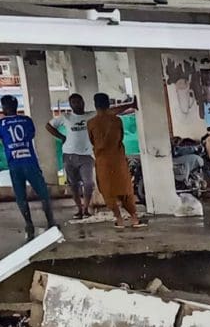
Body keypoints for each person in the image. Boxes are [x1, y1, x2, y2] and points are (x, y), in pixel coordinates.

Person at [0, 94, 56, 239]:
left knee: (20, 196)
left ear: (4, 107)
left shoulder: (0, 124)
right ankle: (51, 221)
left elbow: (3, 140)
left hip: (14, 163)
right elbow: (31, 135)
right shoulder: (26, 120)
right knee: (43, 194)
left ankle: (29, 224)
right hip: (30, 161)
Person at [87, 92, 145, 229]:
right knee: (125, 189)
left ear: (95, 105)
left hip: (103, 161)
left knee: (108, 191)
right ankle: (134, 218)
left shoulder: (91, 123)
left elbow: (92, 140)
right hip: (118, 159)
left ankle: (119, 219)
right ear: (108, 104)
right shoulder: (116, 120)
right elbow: (121, 137)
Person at [45, 93, 96, 221]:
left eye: (79, 101)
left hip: (86, 155)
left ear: (83, 102)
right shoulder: (66, 117)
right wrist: (62, 137)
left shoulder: (91, 115)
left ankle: (86, 208)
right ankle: (79, 209)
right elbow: (49, 126)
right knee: (73, 185)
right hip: (69, 155)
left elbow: (109, 111)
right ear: (70, 104)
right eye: (74, 102)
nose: (77, 104)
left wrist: (130, 105)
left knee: (88, 183)